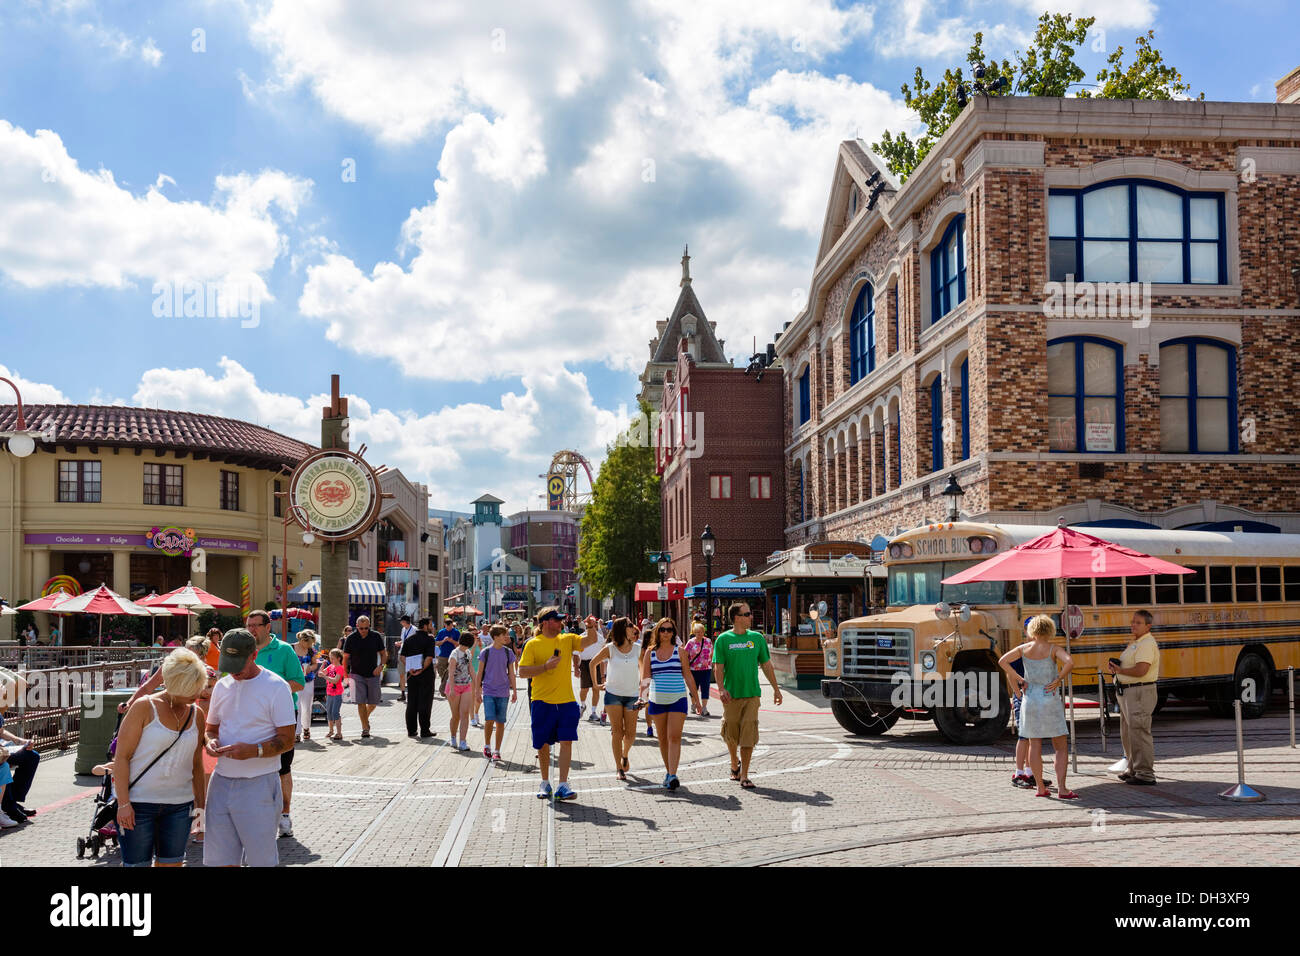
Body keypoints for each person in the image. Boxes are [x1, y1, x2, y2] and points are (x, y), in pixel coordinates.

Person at [202, 629, 296, 867]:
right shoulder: (222, 686)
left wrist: (254, 751)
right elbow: (210, 728)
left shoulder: (276, 687)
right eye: (228, 664)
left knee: (261, 861)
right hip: (221, 781)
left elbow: (287, 740)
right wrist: (210, 741)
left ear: (254, 655)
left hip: (260, 783)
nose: (233, 672)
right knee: (219, 860)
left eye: (238, 665)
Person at [112, 649, 207, 866]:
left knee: (172, 863)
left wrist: (201, 808)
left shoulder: (196, 714)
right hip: (139, 804)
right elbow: (122, 757)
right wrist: (123, 803)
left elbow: (196, 765)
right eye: (192, 689)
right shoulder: (144, 707)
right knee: (137, 864)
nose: (197, 694)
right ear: (177, 685)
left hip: (179, 805)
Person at [517, 606, 599, 800]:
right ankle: (545, 783)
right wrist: (545, 667)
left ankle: (563, 784)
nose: (562, 622)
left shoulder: (568, 639)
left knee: (566, 741)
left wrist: (591, 626)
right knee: (543, 744)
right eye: (557, 619)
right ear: (545, 623)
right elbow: (522, 672)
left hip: (566, 701)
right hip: (542, 701)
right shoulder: (533, 644)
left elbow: (591, 640)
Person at [999, 614, 1076, 799]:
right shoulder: (1053, 649)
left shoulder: (1024, 649)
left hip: (1030, 699)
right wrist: (1058, 679)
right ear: (1050, 630)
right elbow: (1070, 662)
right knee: (1060, 747)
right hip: (1049, 699)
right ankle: (1063, 789)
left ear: (1032, 630)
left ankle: (1041, 788)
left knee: (1034, 745)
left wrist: (1019, 679)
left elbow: (1002, 661)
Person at [247, 610, 306, 838]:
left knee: (283, 769)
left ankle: (284, 815)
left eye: (256, 625)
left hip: (281, 718)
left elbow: (299, 683)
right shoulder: (244, 650)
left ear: (267, 627)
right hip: (251, 718)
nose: (251, 630)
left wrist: (270, 692)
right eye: (249, 625)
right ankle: (255, 815)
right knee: (253, 766)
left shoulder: (284, 650)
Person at [714, 602, 782, 790]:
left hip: (752, 694)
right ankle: (734, 763)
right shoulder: (723, 639)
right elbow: (718, 668)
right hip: (731, 695)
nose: (751, 617)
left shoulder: (757, 638)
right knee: (731, 734)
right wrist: (721, 689)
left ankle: (744, 775)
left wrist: (776, 689)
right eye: (747, 614)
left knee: (748, 734)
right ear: (736, 617)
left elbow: (767, 665)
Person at [641, 618, 701, 790]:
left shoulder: (680, 652)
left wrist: (696, 699)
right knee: (662, 739)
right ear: (657, 632)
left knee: (674, 737)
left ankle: (673, 774)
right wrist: (642, 698)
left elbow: (688, 676)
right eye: (662, 630)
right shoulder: (650, 653)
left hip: (678, 699)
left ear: (673, 633)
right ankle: (669, 773)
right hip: (657, 700)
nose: (666, 633)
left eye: (669, 630)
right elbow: (645, 678)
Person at [1108, 609, 1160, 786]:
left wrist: (1121, 671)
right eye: (1132, 622)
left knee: (1139, 732)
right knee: (1129, 732)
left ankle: (1145, 773)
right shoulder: (1136, 642)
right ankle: (1133, 768)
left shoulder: (1146, 643)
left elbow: (1141, 670)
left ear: (1148, 626)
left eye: (1138, 622)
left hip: (1139, 691)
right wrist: (1118, 669)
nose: (1133, 625)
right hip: (1128, 692)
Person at [586, 618, 639, 781]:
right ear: (623, 629)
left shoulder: (638, 648)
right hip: (613, 694)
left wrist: (645, 691)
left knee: (630, 735)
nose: (633, 628)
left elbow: (645, 670)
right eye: (630, 626)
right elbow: (592, 663)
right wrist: (595, 684)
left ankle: (625, 755)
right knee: (617, 732)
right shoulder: (610, 648)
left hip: (632, 695)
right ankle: (619, 768)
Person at [475, 624, 517, 760]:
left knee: (500, 722)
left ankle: (497, 750)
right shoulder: (485, 652)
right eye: (503, 634)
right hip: (488, 690)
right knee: (489, 719)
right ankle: (487, 746)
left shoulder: (508, 652)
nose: (506, 637)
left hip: (503, 691)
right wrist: (477, 691)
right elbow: (479, 672)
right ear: (495, 637)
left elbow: (511, 673)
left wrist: (515, 690)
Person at [342, 615, 386, 739]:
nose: (364, 630)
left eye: (366, 628)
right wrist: (345, 675)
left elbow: (383, 653)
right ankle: (365, 728)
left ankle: (364, 719)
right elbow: (345, 658)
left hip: (373, 673)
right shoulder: (351, 638)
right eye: (361, 628)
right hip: (356, 674)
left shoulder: (376, 636)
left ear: (369, 626)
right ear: (357, 627)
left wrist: (381, 666)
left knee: (374, 702)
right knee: (360, 702)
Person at [0, 708, 39, 825]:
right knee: (3, 764)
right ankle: (8, 807)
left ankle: (13, 801)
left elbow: (1, 732)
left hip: (2, 748)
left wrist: (21, 741)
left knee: (32, 756)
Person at [401, 618, 438, 739]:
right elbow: (428, 657)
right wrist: (421, 669)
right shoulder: (429, 639)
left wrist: (411, 668)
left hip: (411, 675)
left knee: (411, 701)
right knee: (425, 702)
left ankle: (411, 730)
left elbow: (402, 656)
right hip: (425, 674)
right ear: (426, 626)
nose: (432, 626)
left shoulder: (409, 639)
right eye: (431, 624)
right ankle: (424, 730)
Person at [446, 633, 477, 751]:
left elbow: (470, 669)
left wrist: (476, 682)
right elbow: (451, 672)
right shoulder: (454, 654)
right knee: (456, 715)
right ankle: (453, 737)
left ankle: (463, 741)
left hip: (466, 686)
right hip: (454, 686)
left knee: (464, 713)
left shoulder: (468, 653)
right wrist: (452, 689)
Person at [293, 629, 323, 741]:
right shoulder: (291, 648)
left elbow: (315, 664)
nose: (310, 646)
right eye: (308, 643)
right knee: (297, 706)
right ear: (302, 640)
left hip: (308, 681)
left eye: (311, 643)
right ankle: (296, 732)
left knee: (307, 707)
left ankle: (306, 727)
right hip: (295, 680)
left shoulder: (311, 651)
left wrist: (310, 668)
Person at [578, 616, 606, 724]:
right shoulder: (581, 637)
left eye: (592, 622)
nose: (590, 624)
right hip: (584, 664)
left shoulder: (600, 638)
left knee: (596, 688)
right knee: (584, 688)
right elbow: (576, 654)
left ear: (595, 624)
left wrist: (603, 675)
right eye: (588, 622)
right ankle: (583, 705)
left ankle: (593, 712)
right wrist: (576, 667)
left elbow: (603, 658)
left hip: (597, 664)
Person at [684, 622, 714, 718]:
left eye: (701, 632)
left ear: (703, 632)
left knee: (705, 688)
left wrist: (712, 664)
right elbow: (685, 654)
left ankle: (704, 708)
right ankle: (694, 705)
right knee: (694, 688)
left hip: (706, 669)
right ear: (694, 632)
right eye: (697, 632)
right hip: (693, 669)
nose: (699, 634)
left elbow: (712, 653)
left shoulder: (708, 641)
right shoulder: (691, 642)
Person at [322, 649, 347, 740]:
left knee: (335, 712)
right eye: (330, 658)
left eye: (333, 658)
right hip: (329, 693)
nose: (331, 660)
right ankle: (331, 731)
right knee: (329, 712)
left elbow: (336, 680)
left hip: (337, 693)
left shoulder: (340, 668)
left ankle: (339, 733)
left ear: (339, 658)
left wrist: (325, 676)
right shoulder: (331, 666)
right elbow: (321, 673)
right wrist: (323, 664)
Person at [435, 618, 460, 698]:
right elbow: (436, 643)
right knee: (441, 671)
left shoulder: (456, 632)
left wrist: (451, 641)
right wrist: (443, 641)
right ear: (445, 625)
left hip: (453, 656)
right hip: (442, 655)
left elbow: (459, 645)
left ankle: (445, 690)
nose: (448, 627)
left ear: (452, 625)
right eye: (446, 625)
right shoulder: (441, 632)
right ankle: (445, 686)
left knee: (450, 673)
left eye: (450, 626)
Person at [397, 615, 416, 703]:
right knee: (401, 674)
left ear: (405, 621)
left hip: (411, 655)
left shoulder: (414, 630)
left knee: (411, 674)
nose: (400, 623)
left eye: (401, 621)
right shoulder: (403, 629)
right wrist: (399, 643)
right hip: (402, 653)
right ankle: (403, 694)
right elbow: (403, 640)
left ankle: (411, 694)